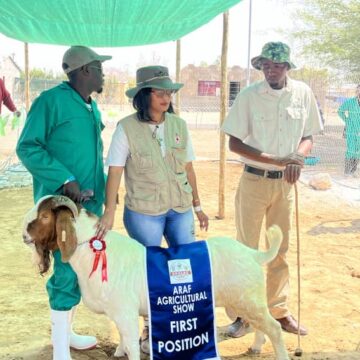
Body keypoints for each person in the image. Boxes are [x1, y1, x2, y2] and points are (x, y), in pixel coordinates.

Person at [96, 65, 209, 353]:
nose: (166, 97)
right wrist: (109, 210)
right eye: (159, 92)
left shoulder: (179, 126)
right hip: (144, 212)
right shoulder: (126, 128)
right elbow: (116, 171)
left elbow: (189, 168)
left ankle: (183, 326)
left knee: (185, 267)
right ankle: (150, 331)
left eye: (169, 91)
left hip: (180, 207)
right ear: (143, 96)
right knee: (150, 271)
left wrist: (197, 205)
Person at [221, 42, 323, 337]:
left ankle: (278, 312)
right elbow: (234, 143)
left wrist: (298, 157)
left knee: (280, 250)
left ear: (287, 67)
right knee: (246, 251)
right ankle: (243, 315)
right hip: (253, 181)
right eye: (266, 65)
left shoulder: (302, 93)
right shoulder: (250, 96)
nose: (271, 70)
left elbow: (308, 135)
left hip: (285, 186)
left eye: (277, 65)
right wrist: (278, 159)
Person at [16, 46, 111, 360]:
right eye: (99, 67)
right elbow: (28, 147)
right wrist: (64, 177)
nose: (103, 73)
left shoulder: (91, 106)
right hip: (61, 209)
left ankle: (66, 333)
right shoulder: (50, 102)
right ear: (85, 70)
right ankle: (59, 350)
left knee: (82, 266)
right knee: (67, 269)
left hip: (90, 206)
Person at [337, 84, 360, 177]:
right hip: (351, 130)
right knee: (351, 150)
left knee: (358, 151)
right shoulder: (350, 102)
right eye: (358, 90)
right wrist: (347, 120)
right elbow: (340, 111)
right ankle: (347, 171)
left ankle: (353, 171)